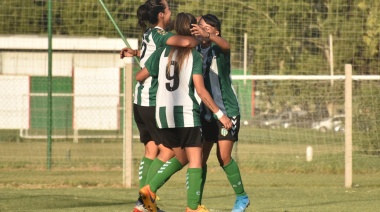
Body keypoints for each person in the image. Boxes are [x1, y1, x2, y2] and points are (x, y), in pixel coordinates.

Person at [135, 12, 232, 212]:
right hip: (185, 114)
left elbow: (139, 76)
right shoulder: (193, 56)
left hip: (163, 115)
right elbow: (201, 90)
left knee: (179, 157)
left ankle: (148, 191)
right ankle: (192, 208)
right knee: (195, 160)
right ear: (192, 30)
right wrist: (220, 114)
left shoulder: (160, 52)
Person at [119, 1, 201, 211]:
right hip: (154, 100)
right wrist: (200, 36)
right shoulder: (161, 35)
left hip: (141, 99)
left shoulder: (148, 34)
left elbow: (150, 55)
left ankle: (143, 203)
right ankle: (146, 198)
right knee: (171, 152)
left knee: (151, 149)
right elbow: (185, 43)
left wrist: (136, 53)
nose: (171, 11)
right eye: (168, 8)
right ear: (162, 15)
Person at [190, 14, 250, 212]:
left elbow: (226, 45)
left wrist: (208, 34)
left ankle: (242, 197)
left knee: (223, 157)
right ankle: (196, 204)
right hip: (206, 113)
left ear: (215, 31)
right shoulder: (195, 50)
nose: (202, 30)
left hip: (227, 111)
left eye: (207, 28)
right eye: (201, 26)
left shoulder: (219, 49)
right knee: (199, 158)